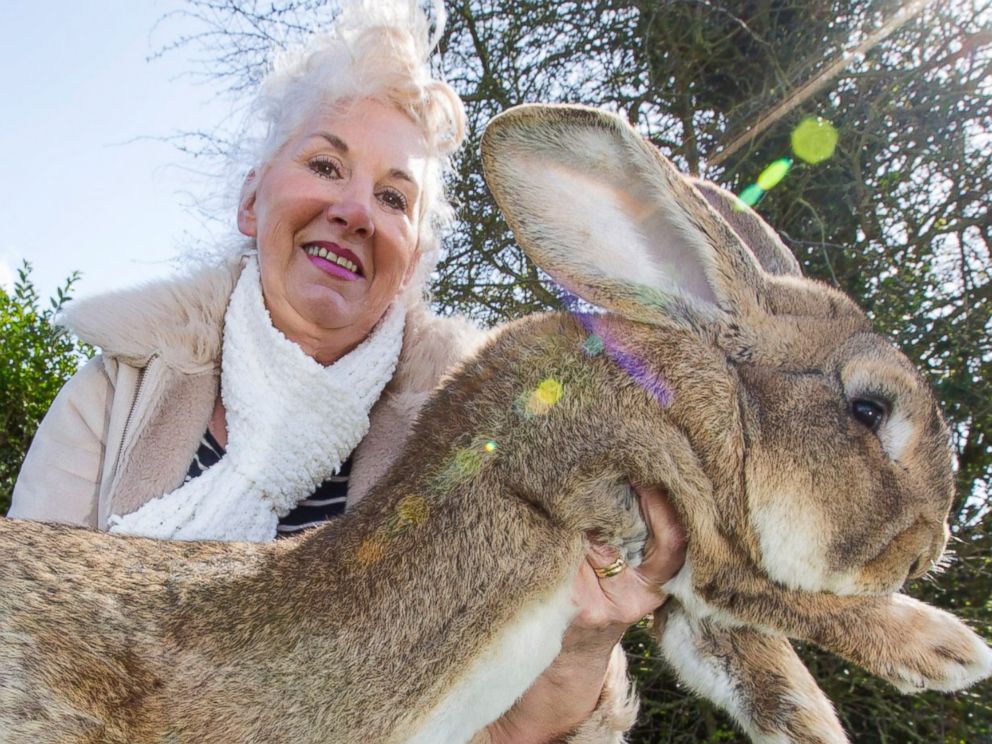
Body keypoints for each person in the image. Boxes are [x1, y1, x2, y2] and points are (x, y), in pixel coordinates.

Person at [10, 1, 685, 741]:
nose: (354, 210)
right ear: (250, 199)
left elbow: (506, 732)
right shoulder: (112, 398)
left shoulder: (483, 447)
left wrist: (581, 646)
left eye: (394, 197)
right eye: (326, 165)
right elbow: (25, 646)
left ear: (417, 258)